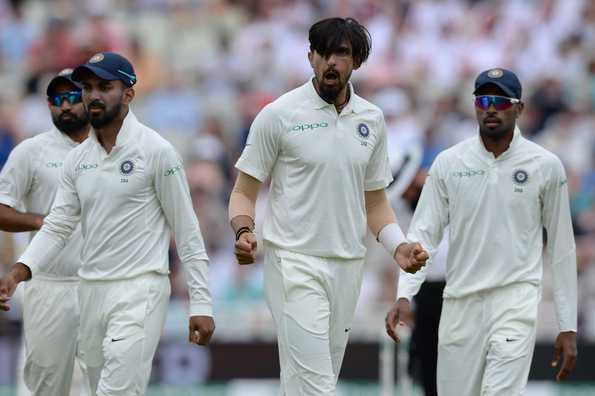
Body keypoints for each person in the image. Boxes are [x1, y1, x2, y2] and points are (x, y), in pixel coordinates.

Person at [228, 17, 428, 395]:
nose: (331, 62)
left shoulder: (372, 120)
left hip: (348, 266)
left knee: (305, 384)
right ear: (310, 57)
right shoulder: (278, 115)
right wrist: (244, 231)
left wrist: (398, 245)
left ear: (356, 62)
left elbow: (375, 202)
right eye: (323, 53)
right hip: (294, 262)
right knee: (318, 387)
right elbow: (243, 192)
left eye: (342, 53)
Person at [0, 52, 215, 396]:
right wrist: (19, 272)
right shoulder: (78, 160)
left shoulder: (157, 151)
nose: (93, 96)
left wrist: (201, 303)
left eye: (104, 87)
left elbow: (187, 231)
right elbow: (57, 226)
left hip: (140, 288)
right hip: (91, 291)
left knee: (115, 392)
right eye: (87, 87)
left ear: (128, 93)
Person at [385, 68, 578, 395]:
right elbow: (423, 235)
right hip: (460, 306)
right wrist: (405, 293)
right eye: (484, 100)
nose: (491, 108)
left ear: (519, 109)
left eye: (501, 102)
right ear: (474, 106)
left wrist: (567, 324)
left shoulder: (545, 166)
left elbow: (562, 248)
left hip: (514, 303)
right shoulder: (449, 163)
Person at [0, 69, 90, 396]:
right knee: (47, 387)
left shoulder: (112, 149)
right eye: (56, 100)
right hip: (49, 282)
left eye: (72, 98)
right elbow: (2, 210)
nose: (64, 106)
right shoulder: (31, 152)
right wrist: (41, 221)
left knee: (107, 383)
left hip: (102, 282)